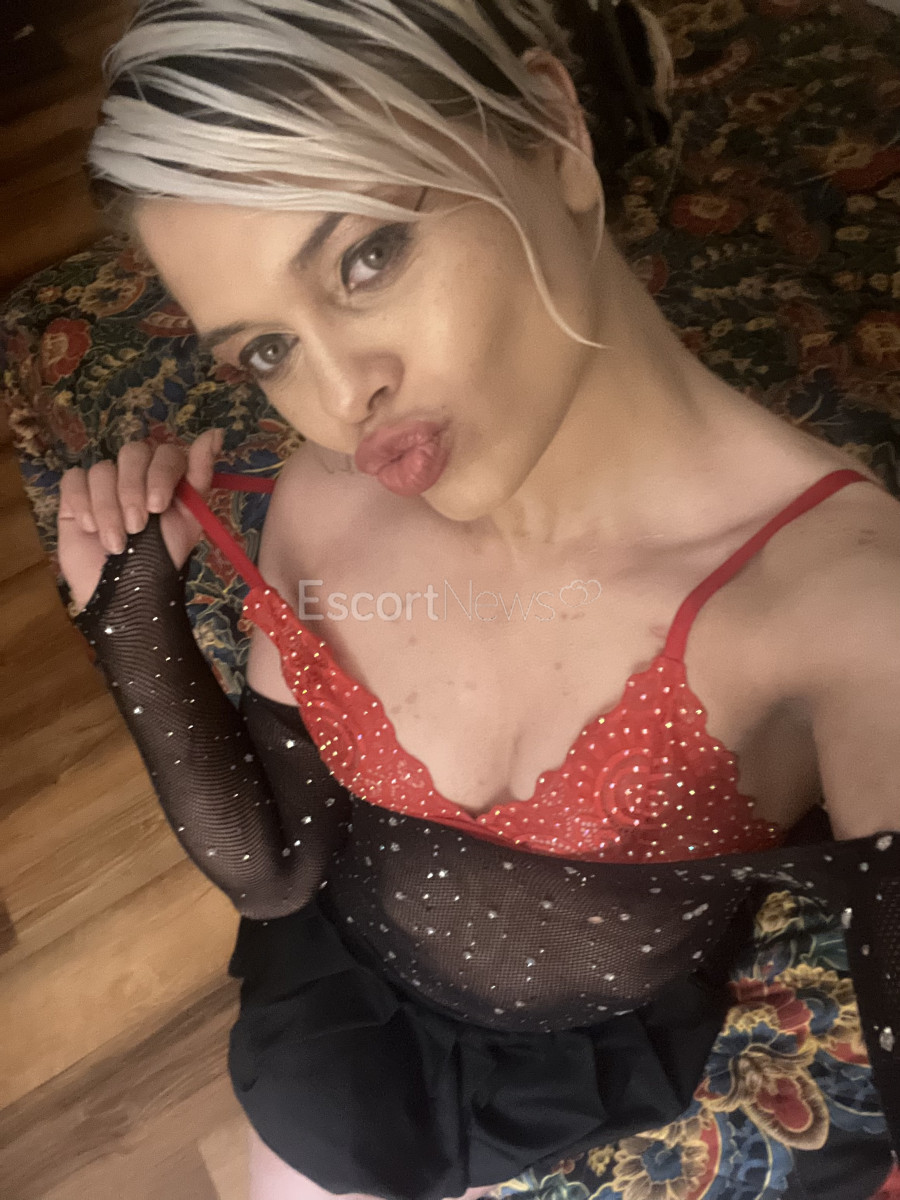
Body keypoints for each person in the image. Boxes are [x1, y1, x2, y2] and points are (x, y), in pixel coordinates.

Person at [56, 2, 900, 1198]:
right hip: (340, 1003)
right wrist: (132, 625)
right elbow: (277, 870)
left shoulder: (850, 614)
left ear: (554, 129)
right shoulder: (323, 499)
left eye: (367, 257)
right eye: (267, 350)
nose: (343, 395)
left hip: (580, 1054)